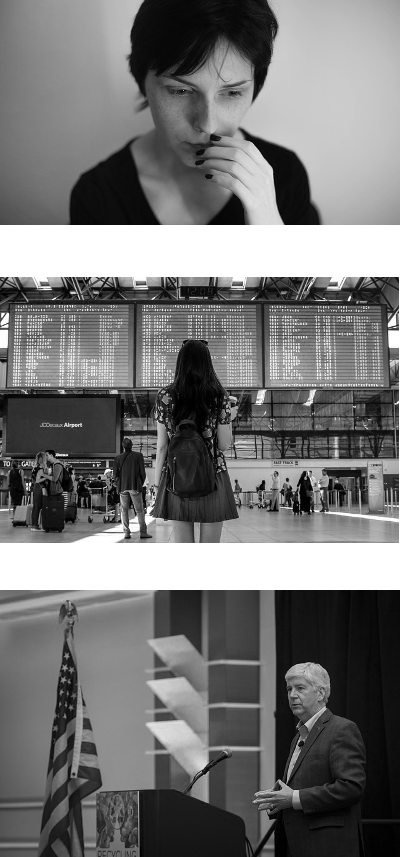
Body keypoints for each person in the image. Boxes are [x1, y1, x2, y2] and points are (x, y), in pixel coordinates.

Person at [70, 0, 319, 226]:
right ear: (142, 81)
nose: (207, 125)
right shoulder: (98, 195)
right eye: (180, 91)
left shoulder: (284, 177)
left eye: (232, 93)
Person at [253, 662, 366, 857]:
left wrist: (294, 798)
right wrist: (278, 801)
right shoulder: (298, 736)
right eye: (289, 689)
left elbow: (351, 788)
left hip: (327, 847)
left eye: (300, 688)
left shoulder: (341, 729)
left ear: (321, 693)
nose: (292, 695)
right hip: (294, 845)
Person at [150, 339, 239, 543]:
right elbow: (224, 445)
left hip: (176, 475)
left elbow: (162, 446)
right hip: (213, 476)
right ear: (207, 363)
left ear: (180, 363)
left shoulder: (165, 395)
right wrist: (229, 418)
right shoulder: (219, 396)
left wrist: (157, 485)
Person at [113, 438, 152, 540]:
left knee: (124, 510)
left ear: (123, 446)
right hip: (135, 486)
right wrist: (139, 483)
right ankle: (143, 532)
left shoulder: (118, 458)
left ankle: (126, 533)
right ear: (131, 445)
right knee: (139, 510)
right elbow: (143, 473)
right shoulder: (138, 456)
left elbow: (115, 475)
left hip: (123, 487)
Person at [30, 451, 50, 531]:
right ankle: (37, 526)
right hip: (41, 487)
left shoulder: (35, 467)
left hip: (36, 487)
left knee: (36, 507)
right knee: (41, 506)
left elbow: (33, 479)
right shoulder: (42, 468)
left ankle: (34, 525)